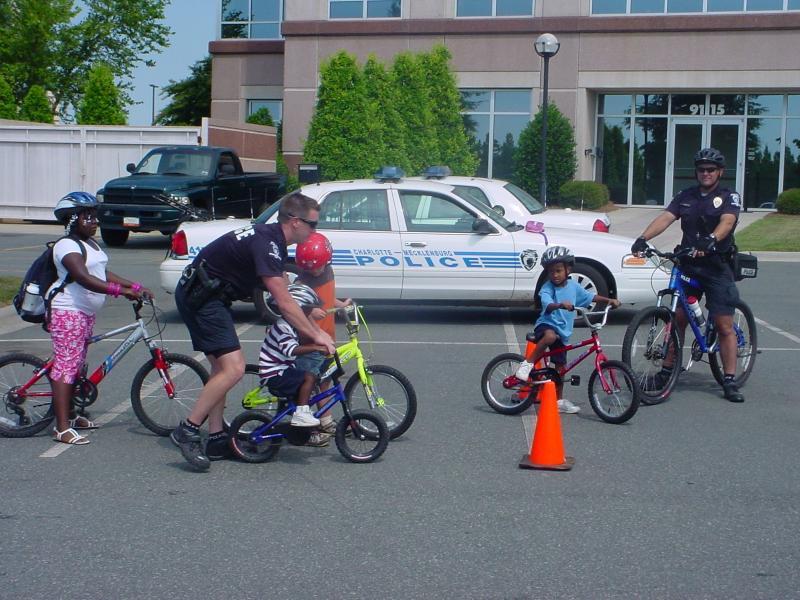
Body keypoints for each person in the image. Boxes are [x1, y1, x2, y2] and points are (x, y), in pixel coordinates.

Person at [171, 192, 336, 471]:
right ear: (295, 222)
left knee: (221, 370)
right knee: (233, 368)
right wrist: (317, 335)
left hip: (212, 296)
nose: (315, 230)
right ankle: (187, 431)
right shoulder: (267, 243)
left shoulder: (275, 241)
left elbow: (282, 290)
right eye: (313, 224)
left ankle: (216, 438)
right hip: (201, 297)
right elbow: (283, 301)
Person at [630, 146, 745, 403]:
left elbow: (727, 221)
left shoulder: (728, 196)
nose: (705, 173)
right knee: (677, 319)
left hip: (716, 266)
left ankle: (729, 379)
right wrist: (643, 238)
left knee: (724, 325)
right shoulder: (686, 196)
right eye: (701, 169)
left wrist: (712, 239)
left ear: (720, 172)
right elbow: (666, 218)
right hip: (688, 264)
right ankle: (667, 370)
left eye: (711, 169)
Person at [48, 192, 151, 445]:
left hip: (84, 313)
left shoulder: (90, 244)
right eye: (87, 217)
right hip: (67, 311)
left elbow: (102, 272)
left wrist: (135, 286)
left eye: (95, 216)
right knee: (67, 366)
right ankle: (61, 428)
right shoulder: (66, 245)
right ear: (72, 220)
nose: (94, 221)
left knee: (78, 365)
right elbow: (83, 277)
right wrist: (121, 292)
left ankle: (71, 415)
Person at [514, 245, 621, 414]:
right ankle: (527, 364)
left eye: (558, 270)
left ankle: (558, 401)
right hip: (546, 325)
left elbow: (590, 297)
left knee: (560, 368)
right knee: (549, 336)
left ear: (568, 269)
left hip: (563, 332)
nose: (554, 275)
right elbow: (547, 305)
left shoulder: (573, 287)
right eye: (551, 272)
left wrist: (609, 300)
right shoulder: (547, 288)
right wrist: (559, 305)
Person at [293, 232, 352, 447]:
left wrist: (340, 305)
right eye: (309, 268)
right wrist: (310, 313)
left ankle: (325, 420)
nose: (314, 271)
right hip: (310, 340)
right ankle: (308, 429)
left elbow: (326, 297)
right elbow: (295, 310)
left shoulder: (327, 271)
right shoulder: (302, 281)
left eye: (317, 267)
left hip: (326, 337)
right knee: (308, 383)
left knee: (324, 381)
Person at [259, 284, 329, 427]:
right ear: (298, 309)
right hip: (274, 373)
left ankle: (294, 416)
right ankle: (301, 414)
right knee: (309, 377)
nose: (310, 312)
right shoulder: (282, 326)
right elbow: (291, 350)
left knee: (305, 378)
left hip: (284, 368)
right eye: (308, 309)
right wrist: (315, 348)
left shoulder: (291, 325)